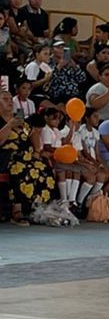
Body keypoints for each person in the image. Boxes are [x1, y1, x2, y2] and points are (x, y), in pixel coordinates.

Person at [0, 90, 55, 226]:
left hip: (26, 154)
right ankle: (16, 211)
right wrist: (9, 125)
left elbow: (33, 133)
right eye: (5, 99)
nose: (9, 102)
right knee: (21, 169)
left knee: (44, 168)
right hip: (7, 156)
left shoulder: (19, 117)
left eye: (10, 99)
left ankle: (38, 209)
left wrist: (37, 151)